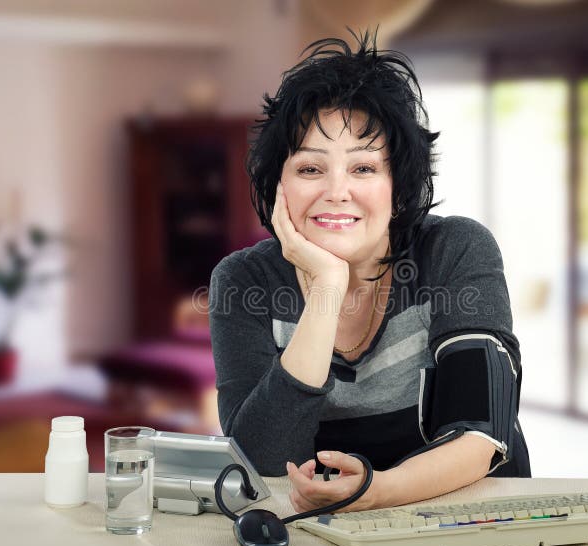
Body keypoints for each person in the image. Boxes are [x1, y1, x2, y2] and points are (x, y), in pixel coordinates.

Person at [209, 29, 530, 514]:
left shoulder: (455, 249)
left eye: (363, 169)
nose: (337, 192)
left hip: (471, 517)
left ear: (399, 188)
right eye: (311, 169)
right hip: (322, 532)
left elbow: (481, 433)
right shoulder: (243, 281)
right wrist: (327, 291)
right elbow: (262, 460)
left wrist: (375, 491)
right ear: (278, 186)